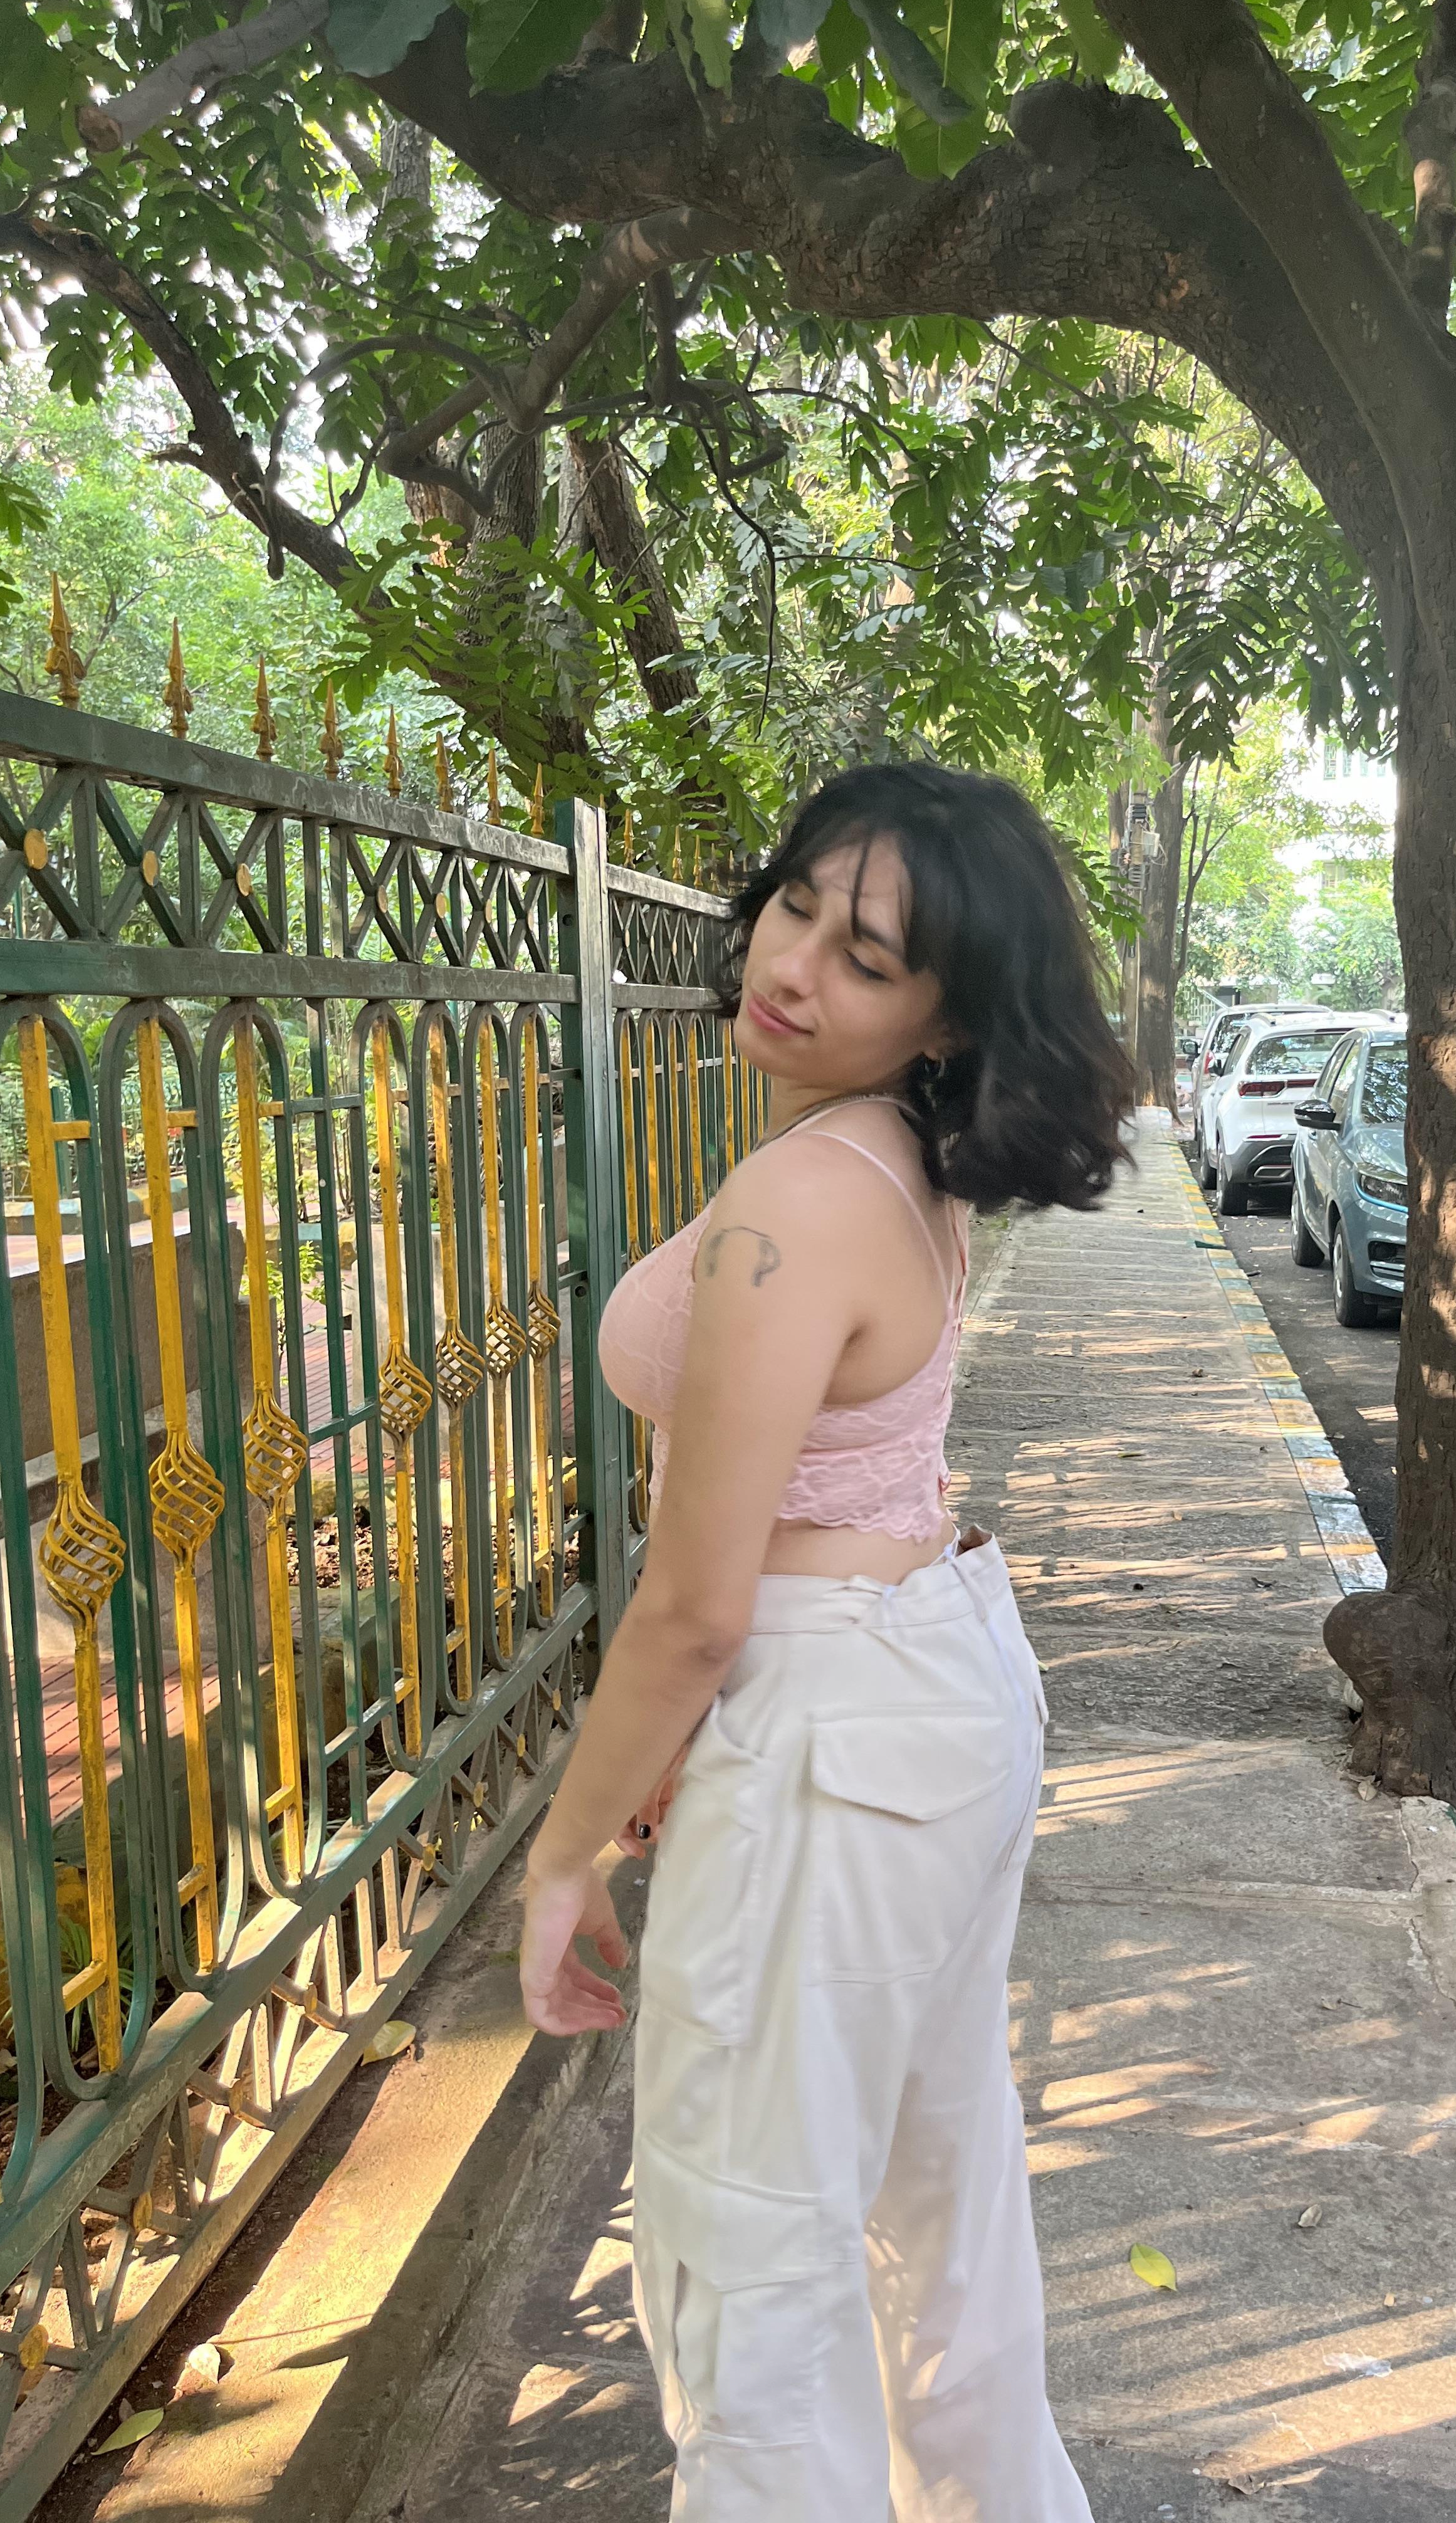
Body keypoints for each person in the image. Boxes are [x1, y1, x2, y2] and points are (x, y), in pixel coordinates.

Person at [519, 762, 1133, 2519]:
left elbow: (695, 1603)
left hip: (834, 1725)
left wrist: (565, 1852)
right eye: (796, 906)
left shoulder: (805, 1199)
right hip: (915, 1686)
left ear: (948, 1017)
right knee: (940, 2212)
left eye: (867, 958)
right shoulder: (898, 1163)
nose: (794, 965)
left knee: (752, 2262)